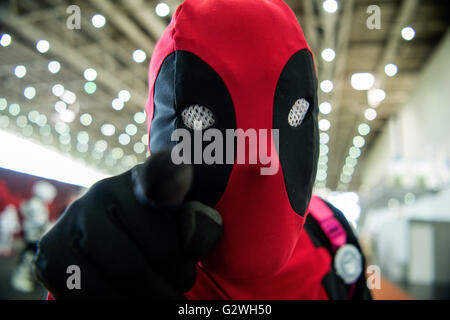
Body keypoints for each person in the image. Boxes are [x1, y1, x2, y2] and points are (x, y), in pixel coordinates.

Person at [34, 0, 372, 300]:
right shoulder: (128, 267)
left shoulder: (333, 235)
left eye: (294, 113)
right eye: (201, 119)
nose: (261, 158)